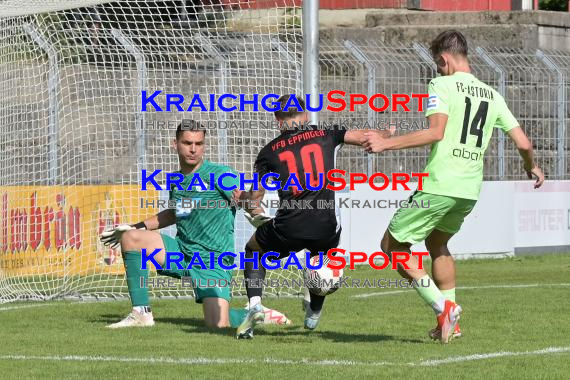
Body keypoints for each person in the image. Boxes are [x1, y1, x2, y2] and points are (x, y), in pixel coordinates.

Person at [362, 30, 545, 343]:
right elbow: (525, 143)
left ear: (444, 59)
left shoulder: (441, 84)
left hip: (439, 184)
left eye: (437, 64)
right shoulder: (492, 94)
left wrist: (385, 143)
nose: (437, 69)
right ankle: (451, 324)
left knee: (392, 247)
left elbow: (436, 133)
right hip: (469, 190)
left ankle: (443, 307)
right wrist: (531, 167)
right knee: (437, 244)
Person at [101, 121, 290, 329]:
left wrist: (256, 211)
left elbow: (243, 199)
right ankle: (141, 313)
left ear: (204, 146)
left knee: (218, 325)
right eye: (187, 143)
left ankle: (256, 312)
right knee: (131, 237)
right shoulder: (177, 180)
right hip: (182, 252)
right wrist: (135, 226)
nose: (193, 149)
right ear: (175, 144)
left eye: (198, 143)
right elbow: (175, 213)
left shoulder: (220, 174)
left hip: (213, 261)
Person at [233, 95, 387, 339]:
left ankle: (254, 305)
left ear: (277, 120)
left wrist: (245, 201)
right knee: (321, 260)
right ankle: (314, 312)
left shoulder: (267, 153)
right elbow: (364, 137)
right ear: (305, 116)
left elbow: (256, 199)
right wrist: (387, 133)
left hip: (289, 226)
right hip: (325, 225)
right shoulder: (327, 133)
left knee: (253, 249)